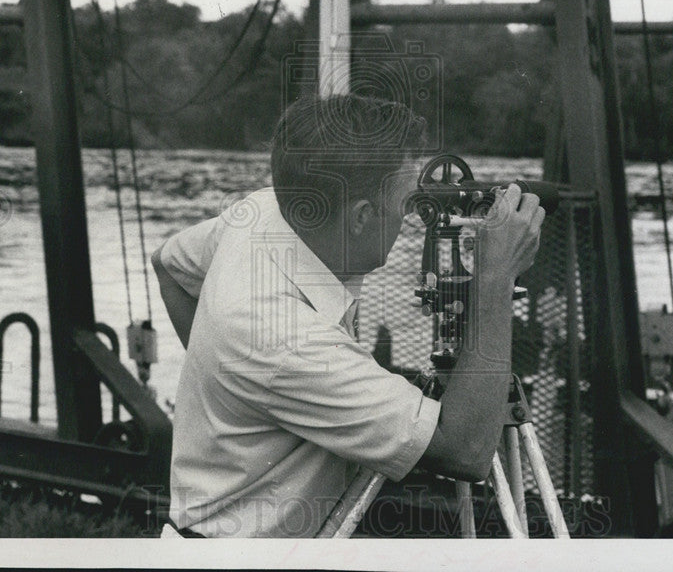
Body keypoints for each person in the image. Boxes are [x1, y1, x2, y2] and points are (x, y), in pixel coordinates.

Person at [151, 94, 546, 537]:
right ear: (360, 217)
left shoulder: (265, 211)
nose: (411, 219)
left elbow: (169, 264)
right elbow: (467, 449)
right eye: (406, 204)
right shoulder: (281, 338)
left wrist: (243, 393)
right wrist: (495, 278)